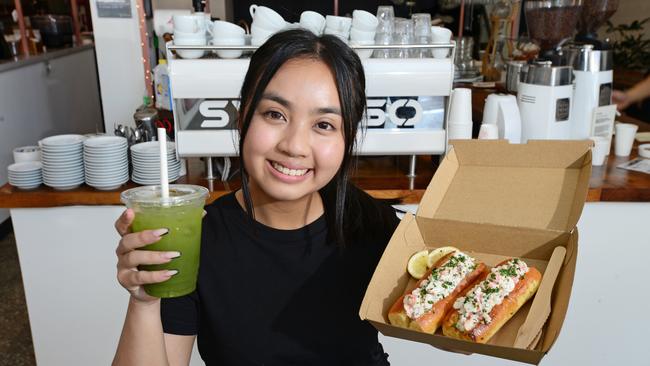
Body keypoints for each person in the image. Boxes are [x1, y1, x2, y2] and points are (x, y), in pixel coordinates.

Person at [112, 29, 400, 366]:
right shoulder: (195, 237)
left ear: (347, 139)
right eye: (275, 114)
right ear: (242, 117)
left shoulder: (375, 226)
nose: (294, 145)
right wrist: (144, 303)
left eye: (324, 124)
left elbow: (456, 331)